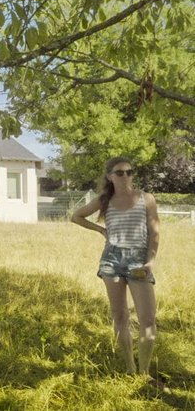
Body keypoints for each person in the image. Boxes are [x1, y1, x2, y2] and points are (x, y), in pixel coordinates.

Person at [71, 157, 161, 385]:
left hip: (139, 260)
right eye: (120, 173)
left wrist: (150, 261)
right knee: (120, 316)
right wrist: (101, 230)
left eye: (129, 172)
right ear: (110, 176)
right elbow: (76, 216)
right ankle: (131, 370)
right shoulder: (104, 200)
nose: (126, 177)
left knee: (148, 319)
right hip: (111, 260)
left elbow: (155, 233)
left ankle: (145, 373)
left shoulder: (146, 199)